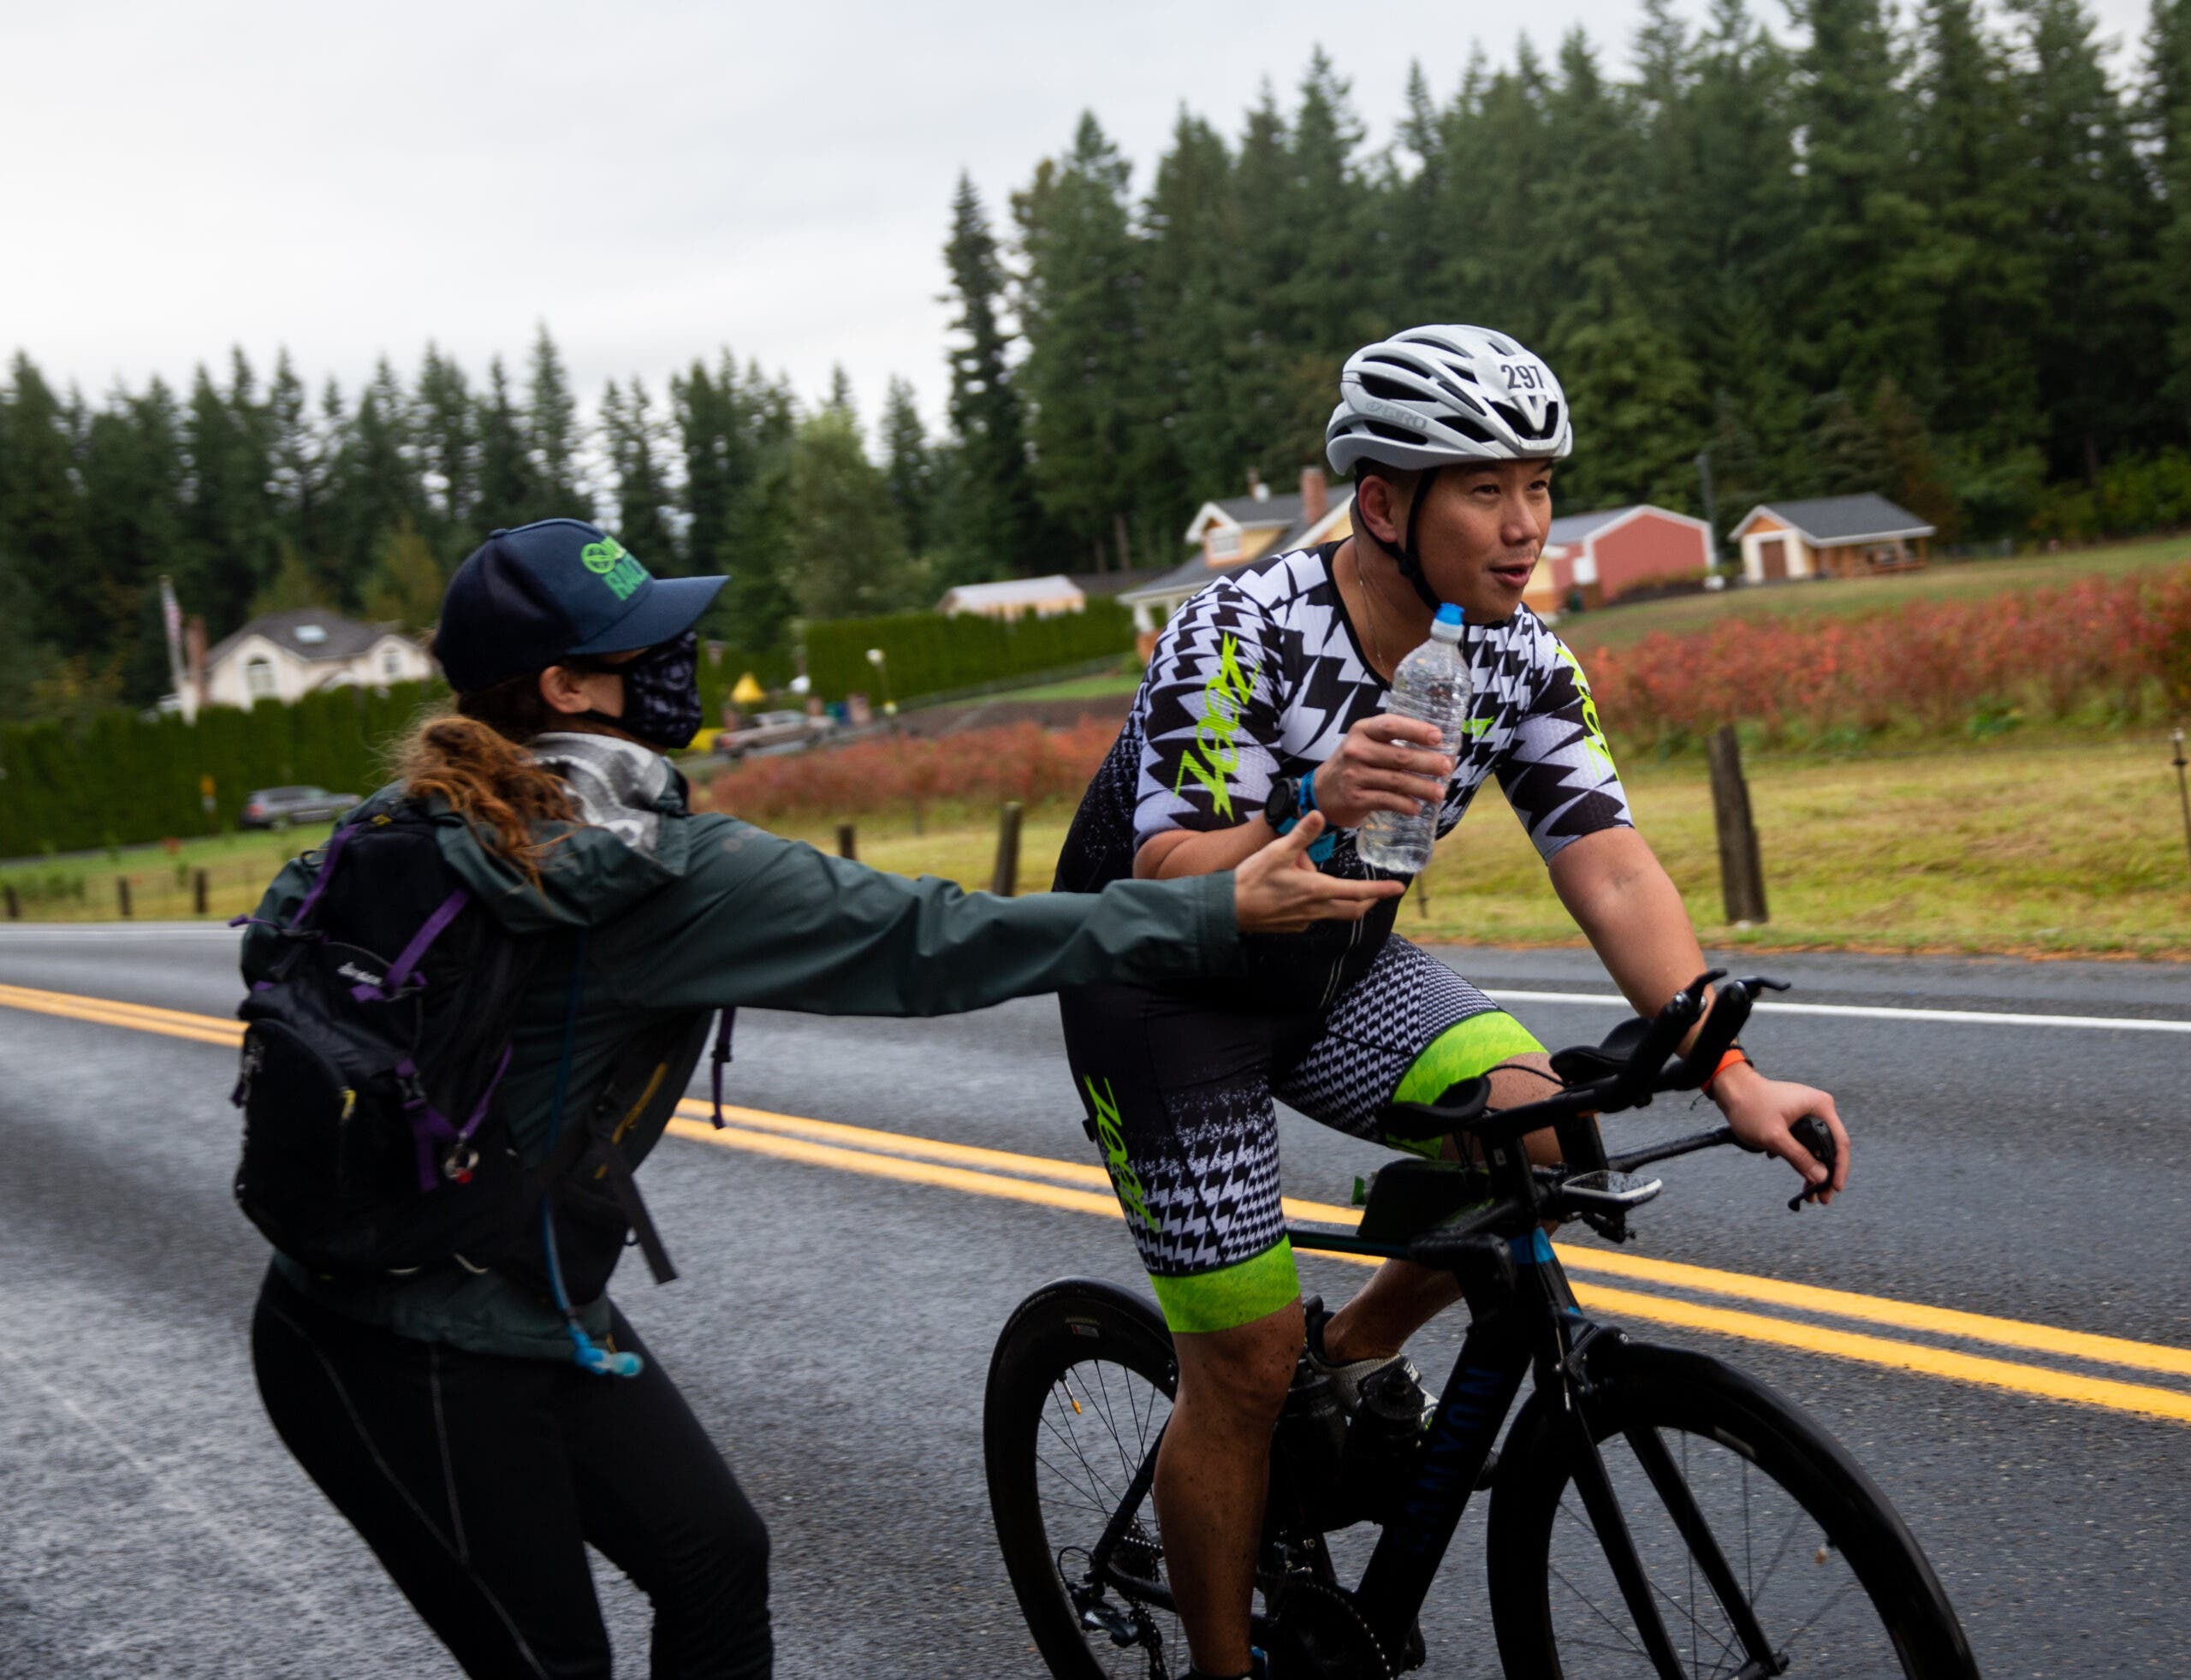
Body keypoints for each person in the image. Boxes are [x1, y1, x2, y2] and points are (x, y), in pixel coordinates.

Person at [242, 518, 1401, 1680]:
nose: (679, 656)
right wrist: (1212, 911)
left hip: (511, 1287)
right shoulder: (646, 871)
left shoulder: (415, 818)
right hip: (383, 1349)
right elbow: (937, 939)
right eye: (649, 642)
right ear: (567, 687)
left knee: (711, 1557)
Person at [1050, 325, 1853, 1680]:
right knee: (1239, 1368)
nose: (1526, 525)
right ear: (1383, 501)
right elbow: (1172, 866)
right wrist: (1313, 804)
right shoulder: (1239, 628)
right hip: (1163, 990)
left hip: (1336, 967)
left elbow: (1604, 856)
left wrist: (1730, 1066)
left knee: (1543, 1127)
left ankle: (1353, 1354)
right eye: (1486, 490)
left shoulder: (1521, 652)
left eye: (1538, 486)